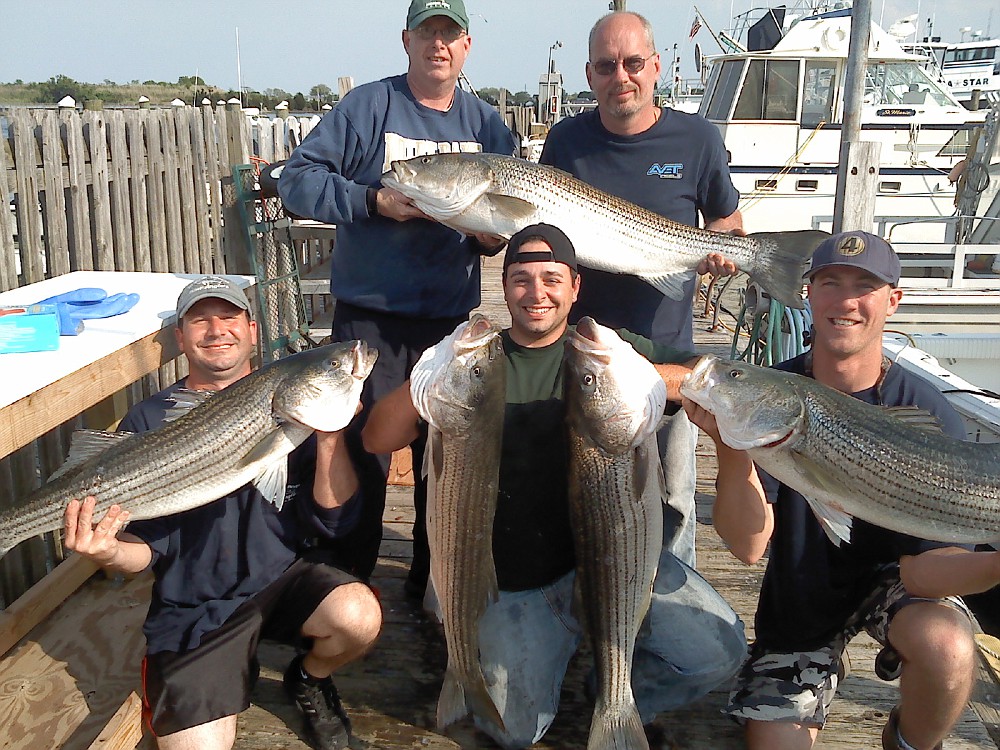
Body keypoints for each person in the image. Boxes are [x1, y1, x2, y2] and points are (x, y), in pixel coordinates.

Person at [362, 224, 747, 749]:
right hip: (519, 580)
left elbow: (694, 374)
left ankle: (613, 694)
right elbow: (379, 436)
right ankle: (542, 658)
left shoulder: (603, 351)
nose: (536, 293)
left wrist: (633, 380)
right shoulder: (474, 361)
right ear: (505, 287)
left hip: (615, 562)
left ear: (575, 287)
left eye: (551, 279)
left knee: (719, 648)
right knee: (513, 731)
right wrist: (430, 378)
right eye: (521, 279)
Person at [686, 231, 987, 750]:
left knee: (949, 647)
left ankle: (909, 743)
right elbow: (748, 545)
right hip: (800, 601)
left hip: (901, 585)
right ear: (808, 293)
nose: (845, 300)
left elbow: (925, 571)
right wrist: (731, 448)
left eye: (863, 287)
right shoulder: (778, 390)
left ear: (892, 301)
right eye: (830, 283)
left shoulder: (925, 408)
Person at [62, 276, 383, 750]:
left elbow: (334, 520)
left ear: (252, 330)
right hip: (196, 606)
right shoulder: (150, 420)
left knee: (358, 616)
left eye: (229, 316)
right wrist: (106, 552)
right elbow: (144, 553)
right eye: (200, 320)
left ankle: (308, 678)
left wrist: (330, 434)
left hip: (281, 578)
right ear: (181, 338)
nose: (217, 329)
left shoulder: (294, 407)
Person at [278, 0, 518, 598]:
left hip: (447, 322)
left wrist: (492, 239)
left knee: (447, 458)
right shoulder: (367, 107)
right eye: (427, 32)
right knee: (361, 453)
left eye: (451, 34)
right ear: (405, 41)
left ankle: (434, 585)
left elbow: (507, 217)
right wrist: (371, 202)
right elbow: (297, 179)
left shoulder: (488, 126)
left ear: (467, 47)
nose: (439, 44)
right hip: (370, 322)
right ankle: (342, 580)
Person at [539, 10, 744, 568]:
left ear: (655, 66)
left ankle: (672, 614)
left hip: (669, 356)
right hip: (584, 352)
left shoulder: (698, 137)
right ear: (589, 73)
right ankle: (591, 606)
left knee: (673, 501)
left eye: (633, 63)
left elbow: (728, 221)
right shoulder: (565, 141)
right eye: (607, 66)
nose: (621, 76)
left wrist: (723, 249)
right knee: (584, 493)